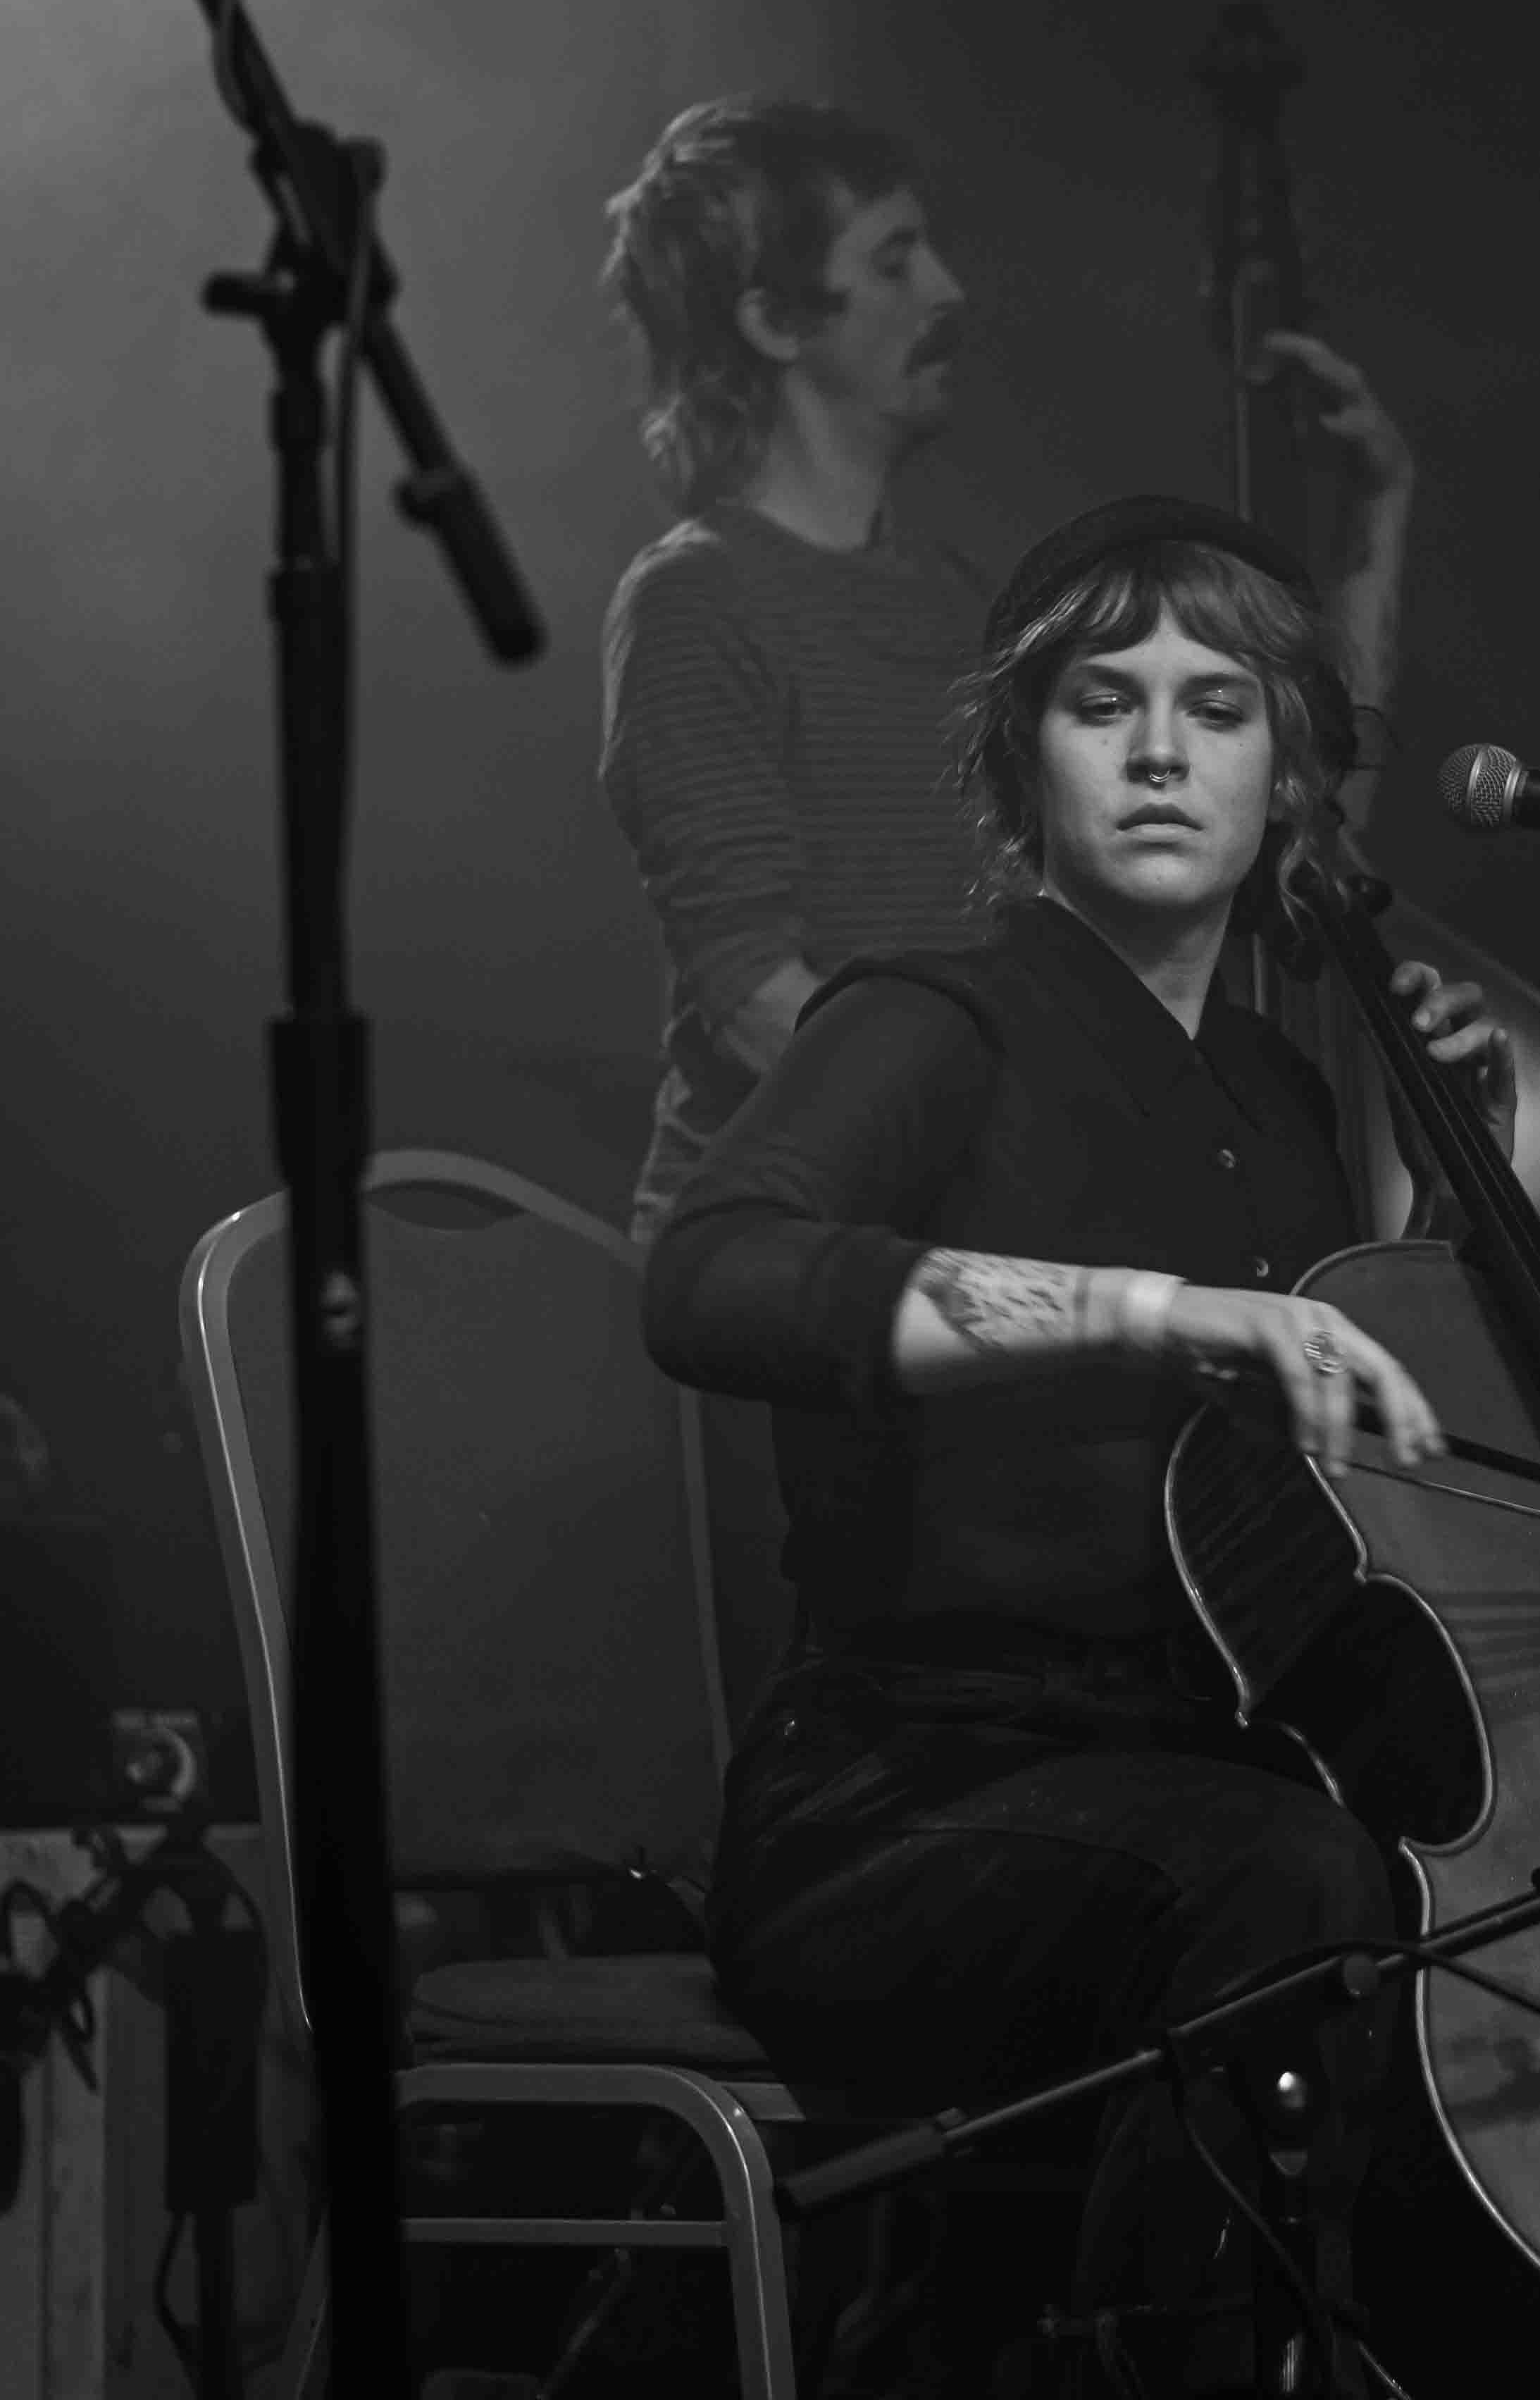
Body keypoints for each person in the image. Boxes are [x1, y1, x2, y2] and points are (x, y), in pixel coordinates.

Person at [642, 497, 1512, 2400]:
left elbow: (1349, 1503)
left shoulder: (1280, 1098)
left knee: (1424, 1890)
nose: (1153, 749)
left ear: (1287, 772)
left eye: (1216, 707)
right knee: (1288, 1880)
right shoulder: (929, 1021)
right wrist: (1155, 1309)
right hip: (899, 1812)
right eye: (1098, 701)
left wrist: (1457, 1170)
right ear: (1015, 758)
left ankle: (986, 2372)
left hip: (1189, 1798)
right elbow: (712, 1278)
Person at [596, 93, 1427, 1719]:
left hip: (1030, 1225)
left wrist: (1374, 543)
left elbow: (1285, 816)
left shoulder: (957, 600)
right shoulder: (698, 597)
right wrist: (1088, 1178)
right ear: (773, 316)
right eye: (894, 257)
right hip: (832, 1278)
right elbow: (759, 989)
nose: (952, 290)